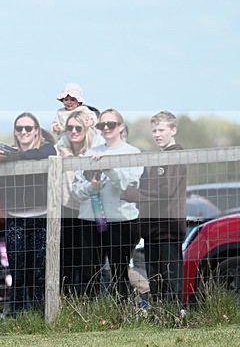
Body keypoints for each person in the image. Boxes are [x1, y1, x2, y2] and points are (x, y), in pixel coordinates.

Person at [0, 112, 56, 314]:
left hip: (41, 219)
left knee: (40, 271)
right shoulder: (5, 156)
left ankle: (40, 314)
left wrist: (15, 156)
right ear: (15, 132)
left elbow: (47, 151)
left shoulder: (45, 149)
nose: (23, 132)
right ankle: (17, 315)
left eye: (28, 128)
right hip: (16, 220)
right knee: (18, 272)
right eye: (19, 128)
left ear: (36, 131)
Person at [71, 109, 143, 299]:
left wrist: (109, 168)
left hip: (121, 220)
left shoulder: (133, 153)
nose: (105, 128)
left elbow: (127, 187)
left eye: (110, 124)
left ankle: (122, 315)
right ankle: (91, 316)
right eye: (101, 125)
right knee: (89, 272)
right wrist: (91, 187)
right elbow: (76, 191)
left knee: (119, 272)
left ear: (120, 127)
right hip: (90, 220)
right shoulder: (90, 153)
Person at [122, 111, 186, 304]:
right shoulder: (160, 157)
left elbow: (167, 193)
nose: (157, 134)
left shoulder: (175, 156)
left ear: (173, 130)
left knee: (170, 278)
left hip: (168, 228)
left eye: (162, 130)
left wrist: (137, 195)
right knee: (155, 279)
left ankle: (174, 315)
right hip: (153, 229)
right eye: (154, 130)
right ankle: (159, 314)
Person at [57, 110, 103, 294]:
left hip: (88, 208)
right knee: (66, 259)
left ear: (86, 129)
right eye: (70, 127)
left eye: (78, 128)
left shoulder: (94, 151)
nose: (74, 131)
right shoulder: (59, 149)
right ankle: (66, 302)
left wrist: (69, 158)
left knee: (89, 260)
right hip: (65, 208)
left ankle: (89, 302)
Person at [50, 83, 98, 151]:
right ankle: (67, 153)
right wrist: (55, 127)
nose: (69, 102)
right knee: (63, 141)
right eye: (66, 100)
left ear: (78, 101)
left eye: (72, 100)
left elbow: (93, 117)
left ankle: (86, 151)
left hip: (82, 133)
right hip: (66, 133)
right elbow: (55, 122)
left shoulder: (83, 109)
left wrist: (91, 122)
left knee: (89, 134)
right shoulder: (60, 112)